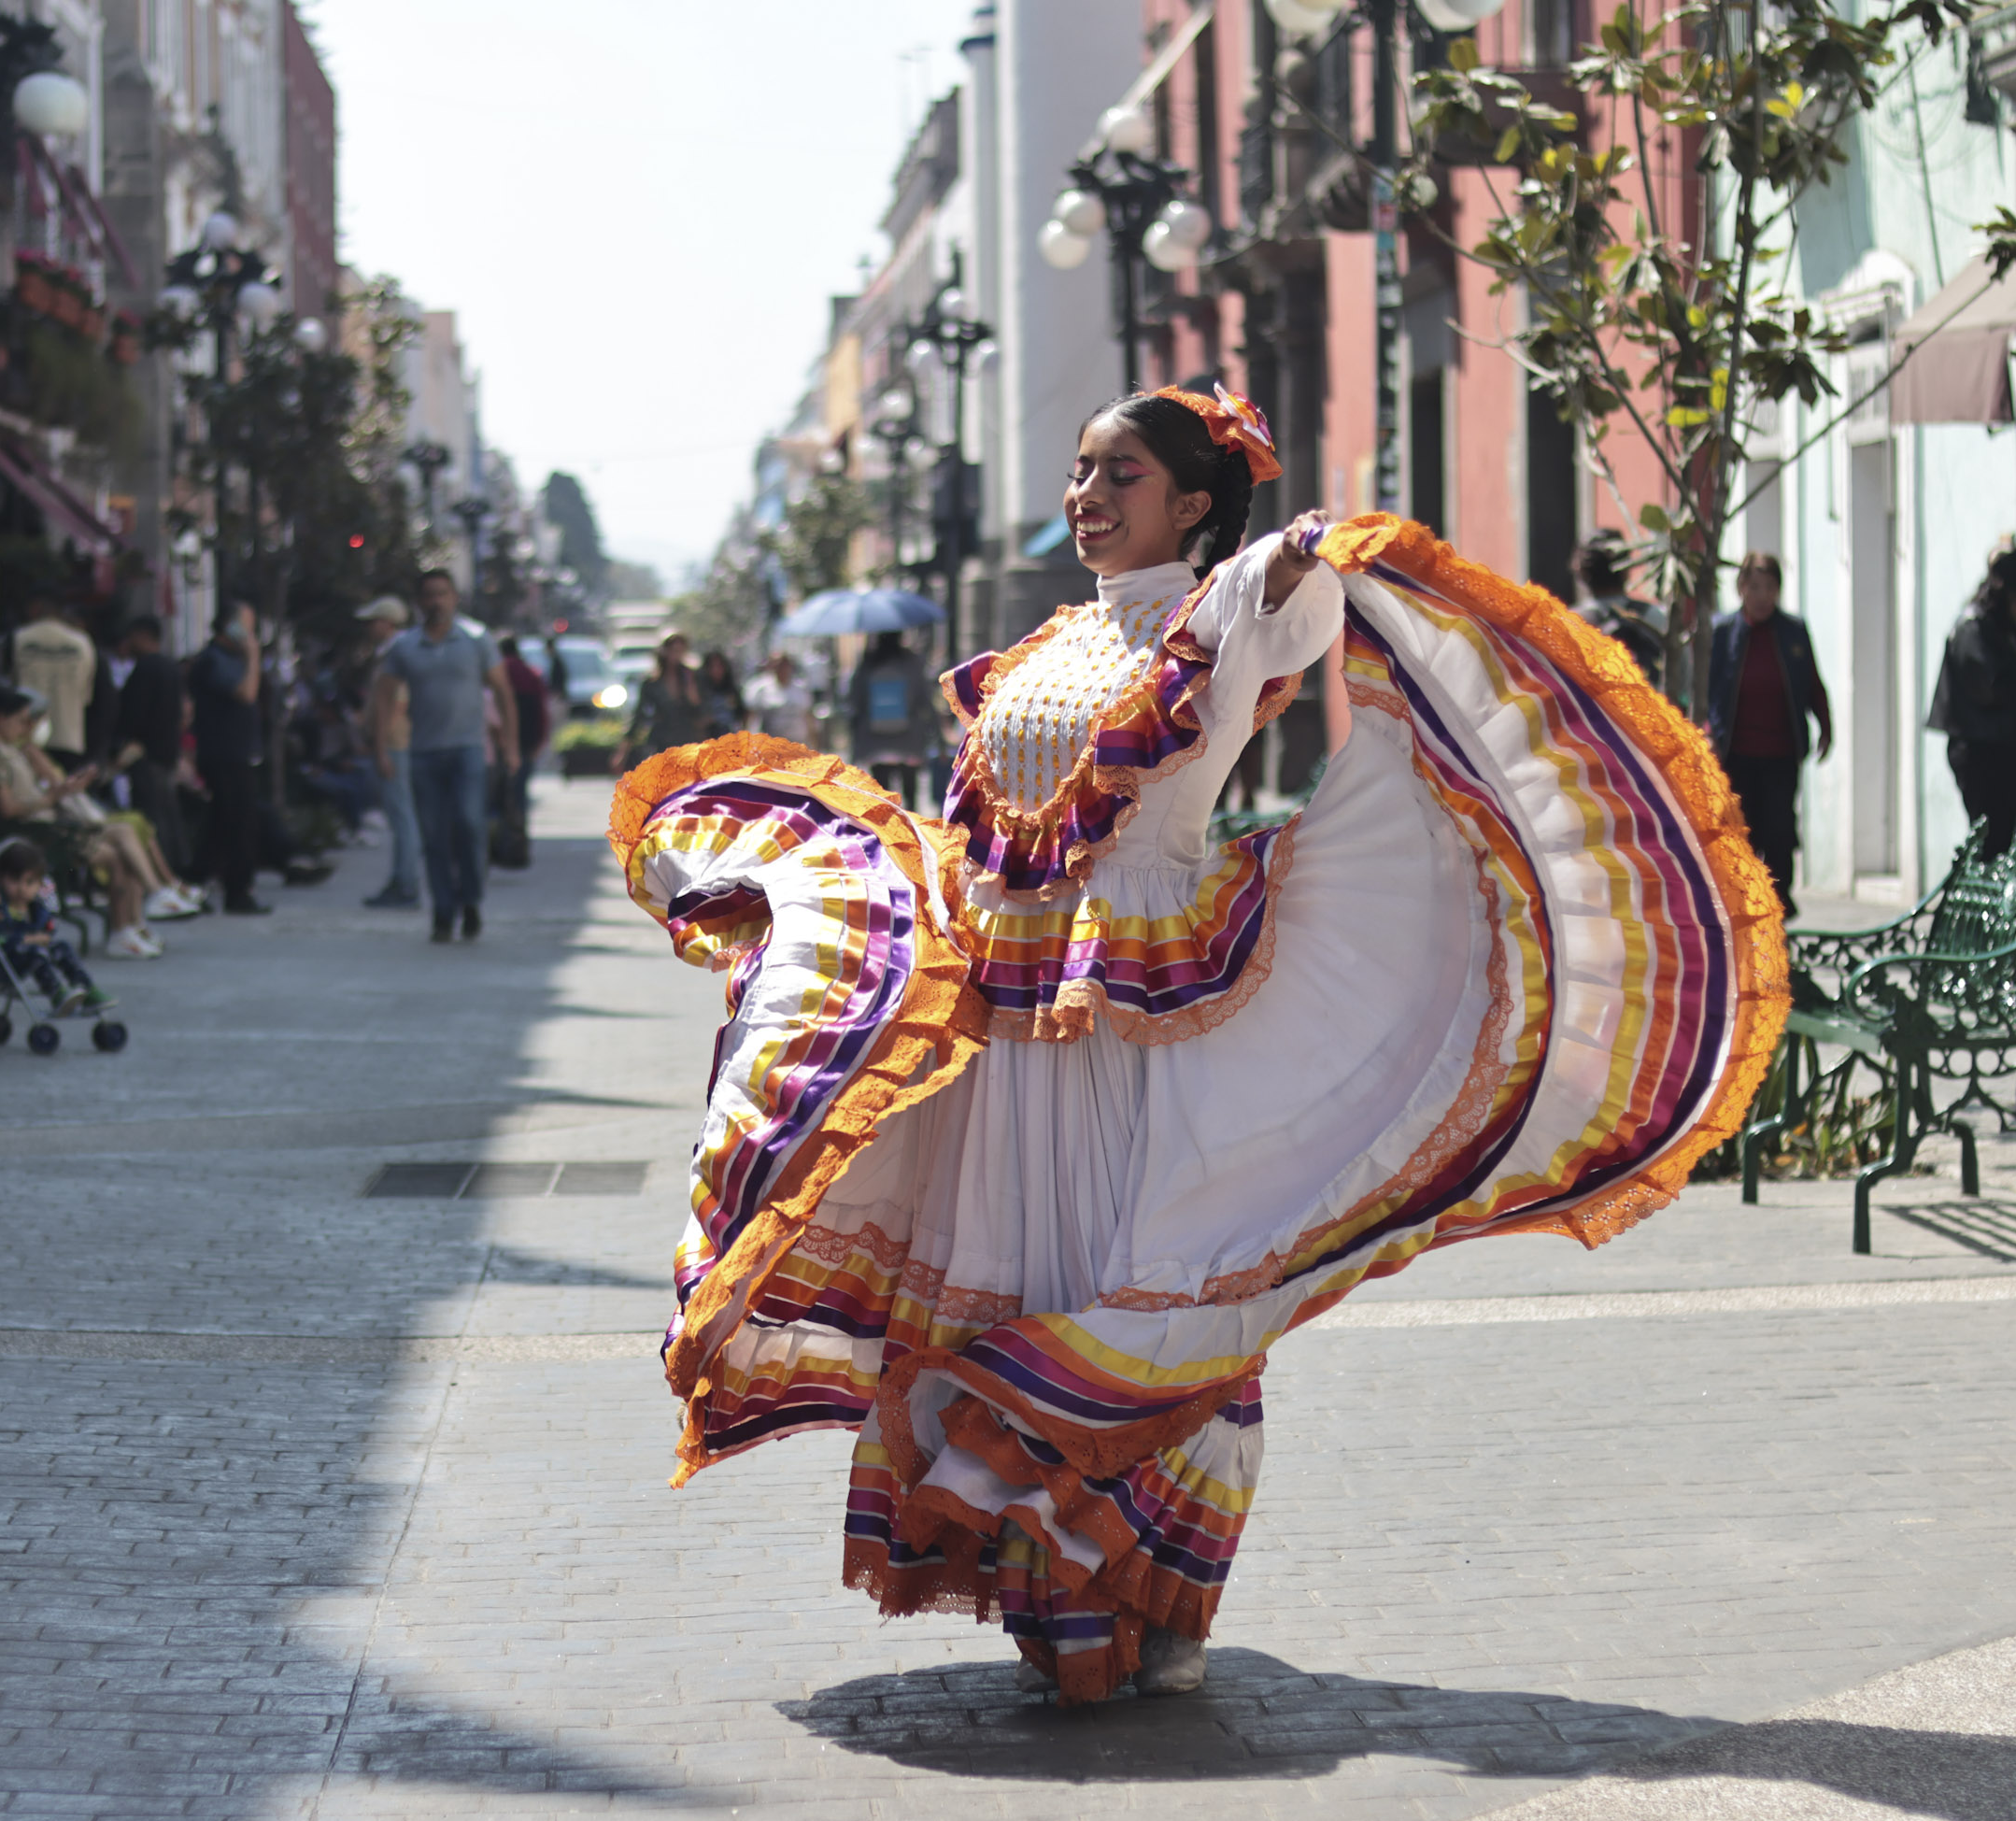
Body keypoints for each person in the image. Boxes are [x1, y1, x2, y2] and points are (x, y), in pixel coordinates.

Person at [610, 383, 1780, 1706]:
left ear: (1194, 503)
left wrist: (1301, 549)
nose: (1087, 497)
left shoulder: (1219, 616)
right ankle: (1052, 1588)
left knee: (1149, 1281)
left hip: (1137, 1012)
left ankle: (1160, 1591)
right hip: (1009, 1019)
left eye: (1120, 475)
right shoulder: (1052, 640)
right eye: (1080, 471)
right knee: (1011, 1277)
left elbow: (1293, 603)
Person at [0, 688, 168, 958]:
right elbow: (8, 808)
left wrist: (59, 790)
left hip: (47, 823)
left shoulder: (9, 747)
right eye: (22, 721)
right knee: (117, 850)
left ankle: (137, 917)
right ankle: (133, 916)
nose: (26, 728)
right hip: (35, 830)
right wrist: (52, 797)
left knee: (126, 833)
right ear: (1, 718)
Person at [373, 568, 518, 943]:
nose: (436, 601)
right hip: (423, 753)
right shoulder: (405, 647)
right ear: (419, 602)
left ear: (454, 598)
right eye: (429, 595)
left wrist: (510, 745)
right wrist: (381, 749)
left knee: (470, 825)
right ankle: (443, 909)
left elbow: (502, 691)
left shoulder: (476, 639)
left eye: (443, 593)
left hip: (468, 751)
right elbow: (383, 698)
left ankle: (470, 900)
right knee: (434, 835)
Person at [1705, 553, 1832, 918]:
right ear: (1741, 588)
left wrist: (1825, 725)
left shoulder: (1793, 631)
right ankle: (1743, 905)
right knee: (1741, 831)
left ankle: (1778, 901)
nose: (1762, 596)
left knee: (1779, 830)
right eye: (1754, 587)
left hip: (1781, 753)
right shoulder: (1722, 631)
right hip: (1735, 754)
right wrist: (1706, 733)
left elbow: (1812, 682)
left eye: (1770, 588)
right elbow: (1705, 688)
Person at [1928, 547, 2016, 861]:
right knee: (1990, 840)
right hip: (1982, 751)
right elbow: (1991, 687)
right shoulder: (1974, 628)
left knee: (2004, 839)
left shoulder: (2003, 627)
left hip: (2006, 748)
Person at [188, 605, 269, 915]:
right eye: (246, 626)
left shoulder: (231, 659)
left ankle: (196, 881)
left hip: (237, 751)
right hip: (223, 752)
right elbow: (246, 693)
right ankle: (237, 891)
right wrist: (253, 655)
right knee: (238, 823)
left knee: (222, 823)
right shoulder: (215, 660)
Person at [0, 840, 114, 1016]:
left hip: (29, 956)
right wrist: (27, 939)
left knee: (62, 948)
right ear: (0, 879)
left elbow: (48, 930)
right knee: (36, 952)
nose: (22, 888)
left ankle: (86, 987)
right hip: (4, 961)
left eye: (30, 882)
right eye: (14, 881)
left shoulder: (37, 908)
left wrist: (44, 936)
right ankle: (56, 993)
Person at [355, 596, 423, 910]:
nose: (369, 628)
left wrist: (380, 747)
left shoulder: (398, 653)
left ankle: (405, 884)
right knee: (400, 815)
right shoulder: (394, 652)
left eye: (373, 621)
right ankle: (401, 880)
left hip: (395, 743)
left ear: (387, 622)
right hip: (394, 742)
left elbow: (394, 704)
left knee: (402, 815)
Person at [109, 617, 191, 877]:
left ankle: (161, 872)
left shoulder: (146, 669)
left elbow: (134, 713)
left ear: (143, 636)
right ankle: (175, 869)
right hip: (166, 751)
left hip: (146, 752)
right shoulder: (170, 668)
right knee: (166, 812)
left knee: (152, 816)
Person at [846, 629, 940, 809]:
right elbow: (925, 701)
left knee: (883, 798)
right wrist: (937, 735)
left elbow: (854, 703)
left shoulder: (868, 664)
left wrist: (856, 743)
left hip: (876, 743)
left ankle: (887, 826)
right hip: (909, 741)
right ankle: (910, 825)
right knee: (911, 797)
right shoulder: (913, 663)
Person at [1570, 529, 1668, 686]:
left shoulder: (1569, 624)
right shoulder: (1656, 617)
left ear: (1581, 573)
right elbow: (1682, 678)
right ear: (1627, 568)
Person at [12, 606, 97, 758]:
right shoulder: (82, 642)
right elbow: (86, 696)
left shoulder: (18, 637)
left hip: (24, 735)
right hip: (68, 736)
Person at [622, 633, 714, 771]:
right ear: (665, 651)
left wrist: (693, 696)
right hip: (661, 742)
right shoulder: (652, 682)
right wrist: (623, 750)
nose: (676, 655)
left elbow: (705, 712)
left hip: (688, 741)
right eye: (673, 650)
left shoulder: (692, 677)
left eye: (680, 651)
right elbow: (639, 716)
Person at [498, 633, 551, 822]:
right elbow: (542, 711)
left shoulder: (496, 673)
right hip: (527, 738)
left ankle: (504, 829)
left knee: (500, 792)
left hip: (499, 740)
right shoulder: (530, 674)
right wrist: (540, 740)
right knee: (520, 789)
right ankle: (519, 828)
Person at [742, 649, 816, 745]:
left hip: (795, 742)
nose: (782, 669)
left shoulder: (800, 688)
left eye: (785, 666)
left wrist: (814, 742)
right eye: (778, 665)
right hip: (769, 744)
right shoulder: (759, 688)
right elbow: (750, 716)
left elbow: (808, 717)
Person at [696, 647, 748, 735]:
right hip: (709, 735)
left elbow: (743, 713)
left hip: (731, 734)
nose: (716, 670)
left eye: (719, 666)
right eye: (712, 666)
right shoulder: (701, 689)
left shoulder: (732, 689)